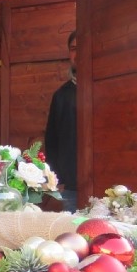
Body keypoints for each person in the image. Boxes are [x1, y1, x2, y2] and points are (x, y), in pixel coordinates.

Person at [44, 30, 78, 212]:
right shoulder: (61, 96)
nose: (78, 53)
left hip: (109, 187)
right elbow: (52, 140)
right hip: (71, 188)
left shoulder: (108, 89)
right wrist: (57, 178)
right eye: (73, 49)